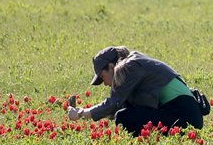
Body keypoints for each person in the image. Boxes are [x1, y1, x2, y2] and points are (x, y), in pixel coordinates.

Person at [66, 46, 203, 136]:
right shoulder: (134, 62)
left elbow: (114, 103)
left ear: (111, 66)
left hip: (184, 114)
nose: (106, 84)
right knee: (128, 113)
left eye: (103, 77)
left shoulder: (128, 67)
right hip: (187, 114)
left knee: (124, 117)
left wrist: (81, 113)